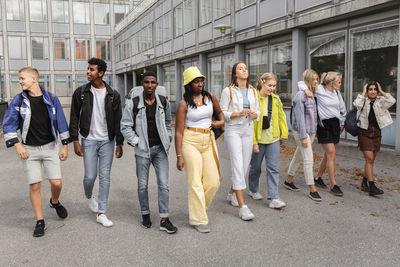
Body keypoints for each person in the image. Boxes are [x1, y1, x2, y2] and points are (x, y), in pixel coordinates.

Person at [3, 67, 70, 237]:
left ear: (34, 79)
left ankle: (54, 202)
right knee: (35, 185)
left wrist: (64, 145)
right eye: (19, 78)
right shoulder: (18, 101)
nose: (20, 81)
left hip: (49, 148)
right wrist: (18, 145)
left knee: (56, 183)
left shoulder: (51, 98)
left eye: (22, 78)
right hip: (29, 150)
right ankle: (40, 221)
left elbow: (61, 122)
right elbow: (9, 124)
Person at [120, 71, 177, 234]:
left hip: (160, 150)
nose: (150, 85)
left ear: (157, 84)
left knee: (164, 185)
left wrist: (168, 137)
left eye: (153, 82)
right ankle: (145, 214)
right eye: (147, 82)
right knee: (142, 185)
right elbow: (125, 125)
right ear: (142, 84)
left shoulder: (163, 102)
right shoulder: (134, 102)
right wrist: (137, 141)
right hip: (142, 151)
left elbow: (167, 122)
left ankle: (164, 219)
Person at [69, 58, 124, 227]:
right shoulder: (81, 92)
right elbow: (74, 117)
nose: (88, 72)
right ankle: (88, 196)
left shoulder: (113, 94)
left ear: (100, 73)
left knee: (105, 176)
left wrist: (119, 143)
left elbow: (118, 120)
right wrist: (75, 140)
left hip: (107, 141)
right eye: (88, 69)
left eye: (91, 70)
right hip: (89, 140)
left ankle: (102, 212)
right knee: (90, 176)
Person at [175, 66, 224, 233]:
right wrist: (179, 155)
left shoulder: (210, 97)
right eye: (196, 81)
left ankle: (197, 209)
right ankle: (198, 219)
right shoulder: (183, 105)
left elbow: (221, 115)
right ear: (188, 85)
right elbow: (178, 132)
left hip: (208, 139)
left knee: (213, 181)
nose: (200, 84)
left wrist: (218, 123)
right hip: (190, 141)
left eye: (201, 80)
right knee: (195, 181)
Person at [220, 62, 260, 220]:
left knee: (244, 166)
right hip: (233, 130)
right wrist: (237, 113)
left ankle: (232, 193)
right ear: (235, 73)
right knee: (237, 164)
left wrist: (253, 114)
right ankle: (243, 207)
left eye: (245, 68)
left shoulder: (253, 91)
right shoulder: (228, 90)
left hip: (248, 128)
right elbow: (222, 113)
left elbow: (258, 111)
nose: (244, 70)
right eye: (240, 68)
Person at [248, 73, 288, 209]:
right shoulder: (254, 99)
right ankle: (253, 189)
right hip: (258, 140)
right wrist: (253, 141)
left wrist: (284, 133)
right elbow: (251, 123)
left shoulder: (276, 99)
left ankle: (274, 197)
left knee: (273, 168)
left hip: (273, 139)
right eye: (269, 85)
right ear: (262, 83)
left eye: (274, 86)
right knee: (256, 167)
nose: (272, 88)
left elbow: (282, 117)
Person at [303, 71, 346, 196]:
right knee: (331, 154)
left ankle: (318, 178)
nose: (340, 84)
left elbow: (342, 109)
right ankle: (334, 184)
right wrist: (306, 90)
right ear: (332, 83)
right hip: (324, 126)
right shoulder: (320, 90)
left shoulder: (336, 92)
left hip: (335, 125)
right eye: (339, 82)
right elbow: (301, 83)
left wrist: (342, 123)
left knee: (328, 155)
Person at [285, 69, 322, 201]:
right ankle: (312, 189)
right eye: (313, 79)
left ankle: (288, 180)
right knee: (308, 159)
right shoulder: (301, 96)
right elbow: (299, 118)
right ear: (308, 80)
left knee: (298, 155)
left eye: (317, 79)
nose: (316, 81)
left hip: (311, 131)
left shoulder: (313, 93)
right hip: (302, 131)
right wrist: (303, 136)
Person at [354, 81, 395, 196]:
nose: (372, 91)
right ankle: (372, 186)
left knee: (371, 160)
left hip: (377, 133)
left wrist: (382, 91)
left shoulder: (381, 101)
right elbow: (356, 104)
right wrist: (362, 92)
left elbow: (392, 100)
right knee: (369, 159)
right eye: (370, 89)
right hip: (364, 132)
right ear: (367, 91)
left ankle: (364, 181)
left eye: (374, 89)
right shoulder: (363, 100)